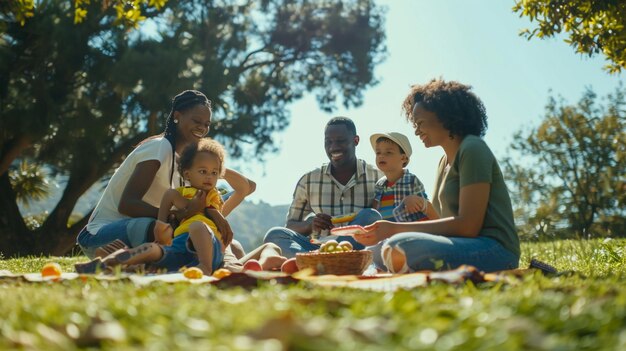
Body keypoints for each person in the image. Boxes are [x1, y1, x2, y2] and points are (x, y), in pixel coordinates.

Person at [355, 79, 520, 273]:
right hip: (461, 245)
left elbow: (468, 227)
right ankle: (401, 268)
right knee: (375, 251)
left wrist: (393, 228)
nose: (417, 131)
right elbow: (442, 221)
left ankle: (403, 269)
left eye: (421, 123)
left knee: (400, 245)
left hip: (495, 250)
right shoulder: (443, 162)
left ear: (446, 117)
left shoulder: (473, 148)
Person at [76, 90, 244, 263]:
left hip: (140, 235)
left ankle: (129, 262)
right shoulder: (160, 147)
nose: (202, 127)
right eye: (196, 121)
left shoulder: (185, 166)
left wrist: (212, 212)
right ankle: (118, 257)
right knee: (161, 226)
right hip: (99, 236)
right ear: (177, 116)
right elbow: (127, 204)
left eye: (207, 123)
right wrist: (175, 215)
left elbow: (247, 187)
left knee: (212, 241)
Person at [75, 138, 277, 274]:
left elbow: (246, 187)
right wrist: (163, 225)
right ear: (187, 173)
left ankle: (203, 267)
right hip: (180, 245)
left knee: (201, 229)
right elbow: (170, 200)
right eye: (203, 171)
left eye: (214, 173)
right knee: (153, 249)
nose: (209, 177)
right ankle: (106, 264)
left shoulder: (217, 202)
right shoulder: (182, 195)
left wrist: (212, 164)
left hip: (209, 251)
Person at [263, 117, 383, 258]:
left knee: (371, 215)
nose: (333, 147)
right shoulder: (308, 180)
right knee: (275, 235)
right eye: (328, 142)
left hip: (357, 249)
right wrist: (310, 224)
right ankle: (322, 260)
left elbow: (385, 221)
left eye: (340, 141)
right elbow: (290, 226)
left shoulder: (378, 177)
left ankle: (322, 261)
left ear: (355, 141)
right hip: (317, 247)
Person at [370, 132, 439, 222]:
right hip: (387, 233)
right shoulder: (379, 185)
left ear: (403, 158)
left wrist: (417, 201)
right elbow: (376, 210)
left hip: (411, 231)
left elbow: (427, 208)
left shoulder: (411, 181)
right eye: (378, 152)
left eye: (388, 152)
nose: (381, 156)